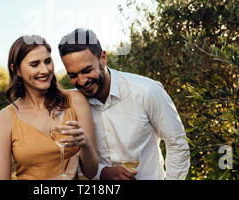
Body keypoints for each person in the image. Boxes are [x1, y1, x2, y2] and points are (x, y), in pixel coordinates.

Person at [58, 28, 191, 180]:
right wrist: (102, 172)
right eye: (73, 75)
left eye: (87, 70)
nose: (81, 81)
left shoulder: (147, 91)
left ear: (103, 58)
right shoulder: (71, 105)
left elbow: (177, 143)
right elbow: (71, 158)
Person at [0, 35, 98, 180]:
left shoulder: (76, 101)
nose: (45, 70)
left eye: (48, 61)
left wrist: (84, 144)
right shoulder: (4, 119)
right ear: (16, 70)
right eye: (35, 64)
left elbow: (91, 172)